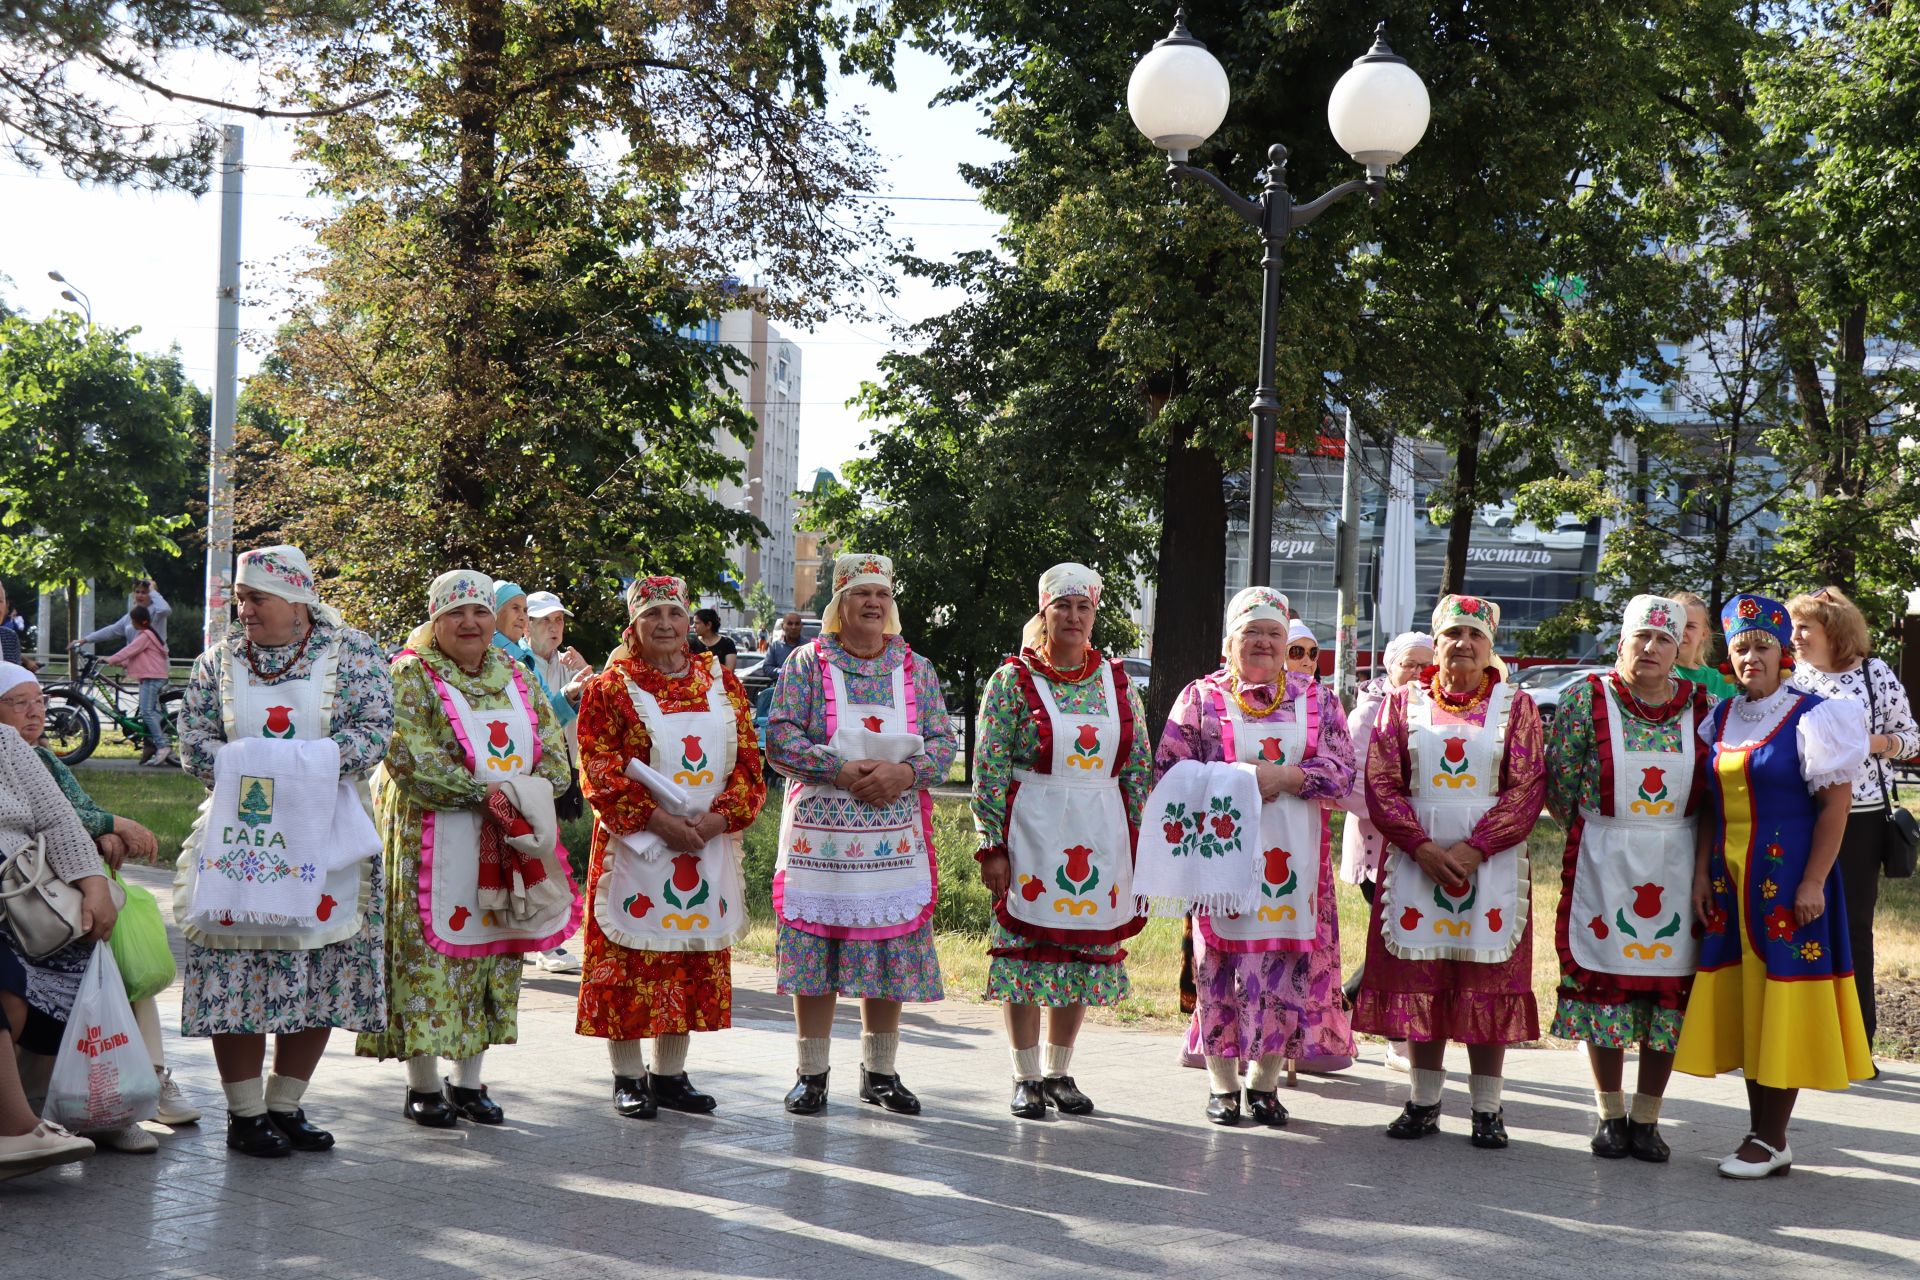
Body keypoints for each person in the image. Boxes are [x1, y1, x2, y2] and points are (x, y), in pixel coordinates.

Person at [174, 545, 395, 1157]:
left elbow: (374, 730)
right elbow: (192, 737)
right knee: (237, 970)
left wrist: (293, 772)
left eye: (256, 598)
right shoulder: (217, 662)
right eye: (240, 598)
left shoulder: (352, 655)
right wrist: (250, 773)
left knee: (317, 970)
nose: (243, 609)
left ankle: (284, 1105)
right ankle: (244, 1114)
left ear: (298, 602)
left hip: (326, 838)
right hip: (242, 838)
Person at [358, 570, 578, 1128]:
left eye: (480, 612)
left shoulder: (517, 677)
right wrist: (490, 795)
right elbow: (410, 758)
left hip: (502, 841)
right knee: (428, 957)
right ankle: (424, 1085)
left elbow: (553, 757)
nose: (470, 623)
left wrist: (514, 800)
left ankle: (469, 1083)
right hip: (432, 838)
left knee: (492, 950)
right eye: (456, 613)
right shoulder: (411, 675)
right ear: (436, 621)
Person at [1675, 593, 1874, 1177]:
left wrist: (1813, 881)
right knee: (1749, 1000)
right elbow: (1711, 805)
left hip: (1788, 881)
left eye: (1762, 647)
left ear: (1783, 653)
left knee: (1781, 996)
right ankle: (1760, 1134)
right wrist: (1700, 873)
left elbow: (1836, 810)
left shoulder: (1816, 715)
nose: (1750, 658)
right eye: (1740, 649)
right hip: (1730, 881)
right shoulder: (1723, 716)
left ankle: (1771, 1137)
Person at [1151, 587, 1356, 1126]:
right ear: (1229, 643)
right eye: (1252, 632)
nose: (1263, 642)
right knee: (1215, 969)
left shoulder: (1319, 699)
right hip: (1219, 862)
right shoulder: (1199, 698)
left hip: (1295, 865)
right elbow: (1168, 771)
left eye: (1273, 633)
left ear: (1286, 642)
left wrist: (1285, 777)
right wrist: (1244, 780)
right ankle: (1222, 1085)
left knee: (1285, 971)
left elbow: (1342, 770)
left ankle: (1264, 1084)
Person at [767, 554, 955, 1115]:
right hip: (819, 845)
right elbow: (777, 737)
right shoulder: (807, 663)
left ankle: (880, 1073)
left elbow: (943, 745)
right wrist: (840, 771)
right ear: (838, 605)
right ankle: (811, 1074)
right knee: (814, 948)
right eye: (860, 594)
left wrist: (905, 773)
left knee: (889, 950)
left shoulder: (915, 668)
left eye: (881, 594)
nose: (873, 603)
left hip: (893, 843)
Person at [1357, 594, 1546, 1149]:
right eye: (1452, 636)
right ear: (1436, 646)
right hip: (1418, 861)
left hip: (1491, 865)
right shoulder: (1402, 702)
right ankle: (1423, 1101)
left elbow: (1528, 784)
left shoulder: (1518, 706)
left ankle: (1487, 1108)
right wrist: (1419, 846)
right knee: (1425, 977)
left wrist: (1474, 848)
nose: (1463, 645)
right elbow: (1381, 780)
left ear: (1491, 649)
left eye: (1474, 637)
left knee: (1487, 980)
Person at [574, 576, 766, 1118]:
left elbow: (750, 759)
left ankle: (671, 1075)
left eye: (675, 614)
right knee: (632, 957)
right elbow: (599, 766)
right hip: (637, 844)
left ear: (690, 622)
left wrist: (717, 820)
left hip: (706, 840)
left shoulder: (721, 682)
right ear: (633, 626)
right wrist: (658, 821)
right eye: (652, 615)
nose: (665, 624)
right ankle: (628, 1076)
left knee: (688, 956)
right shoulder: (609, 688)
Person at [972, 563, 1152, 1119]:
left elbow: (1138, 766)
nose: (1073, 617)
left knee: (1080, 949)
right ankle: (1025, 1075)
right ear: (1044, 612)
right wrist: (992, 843)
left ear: (1094, 613)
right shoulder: (1012, 680)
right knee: (1027, 955)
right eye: (1062, 607)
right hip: (1034, 828)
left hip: (1101, 832)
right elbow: (988, 766)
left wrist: (1141, 843)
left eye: (1083, 608)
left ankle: (1059, 1072)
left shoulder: (1117, 681)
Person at [1543, 596, 1714, 1162]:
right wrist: (1606, 834)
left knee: (1668, 995)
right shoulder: (1583, 701)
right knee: (1605, 990)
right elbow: (1560, 785)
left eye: (1663, 640)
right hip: (1604, 859)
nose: (1650, 649)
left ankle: (1648, 1119)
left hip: (1680, 860)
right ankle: (1609, 1116)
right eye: (1640, 637)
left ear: (1680, 649)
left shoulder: (1704, 706)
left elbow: (1716, 792)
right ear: (1621, 642)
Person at [0, 661, 196, 1136]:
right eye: (18, 703)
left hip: (48, 897)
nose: (34, 713)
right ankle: (119, 1094)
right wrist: (111, 826)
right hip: (26, 906)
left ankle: (133, 1089)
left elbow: (67, 816)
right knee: (103, 956)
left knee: (115, 953)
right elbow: (82, 817)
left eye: (39, 702)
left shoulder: (33, 756)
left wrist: (102, 838)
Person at [1788, 586, 1919, 1064]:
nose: (1795, 635)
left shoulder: (1873, 674)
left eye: (1805, 626)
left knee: (1852, 927)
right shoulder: (1790, 679)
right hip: (1800, 818)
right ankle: (1801, 1037)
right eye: (1793, 625)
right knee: (1800, 925)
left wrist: (1871, 743)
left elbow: (1910, 739)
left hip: (1860, 821)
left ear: (1834, 632)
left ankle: (1855, 1043)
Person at [0, 721, 106, 1179]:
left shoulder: (4, 741)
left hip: (26, 898)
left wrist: (94, 881)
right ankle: (16, 1127)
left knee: (93, 945)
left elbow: (58, 819)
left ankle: (116, 1105)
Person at [1336, 630, 1434, 1070]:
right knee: (1393, 940)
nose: (1416, 672)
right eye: (1408, 664)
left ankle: (1348, 1000)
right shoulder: (1366, 716)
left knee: (1403, 940)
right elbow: (1351, 790)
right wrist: (1404, 817)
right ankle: (1391, 1034)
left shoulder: (1437, 712)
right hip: (1380, 849)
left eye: (1423, 664)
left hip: (1425, 850)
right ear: (1389, 667)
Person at [492, 581, 581, 976]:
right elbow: (544, 714)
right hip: (508, 775)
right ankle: (543, 941)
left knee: (536, 850)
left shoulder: (551, 662)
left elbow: (547, 717)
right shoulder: (512, 658)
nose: (550, 626)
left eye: (559, 620)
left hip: (539, 772)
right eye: (542, 619)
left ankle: (540, 939)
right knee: (531, 852)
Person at [100, 603, 173, 766]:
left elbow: (130, 650)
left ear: (137, 621)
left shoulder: (145, 636)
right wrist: (121, 663)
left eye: (132, 620)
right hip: (152, 676)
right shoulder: (148, 634)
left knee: (147, 711)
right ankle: (162, 739)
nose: (130, 624)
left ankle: (162, 745)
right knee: (151, 711)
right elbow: (136, 656)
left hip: (152, 678)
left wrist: (110, 659)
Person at [1673, 591, 1739, 700]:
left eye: (1690, 626)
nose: (1681, 631)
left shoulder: (1721, 682)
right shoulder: (1657, 675)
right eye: (1676, 624)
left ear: (1704, 634)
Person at [76, 579, 172, 647]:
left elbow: (165, 609)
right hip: (137, 663)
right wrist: (85, 640)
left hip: (154, 664)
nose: (139, 595)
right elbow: (112, 630)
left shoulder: (157, 612)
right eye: (137, 592)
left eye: (144, 592)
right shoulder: (131, 616)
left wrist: (152, 590)